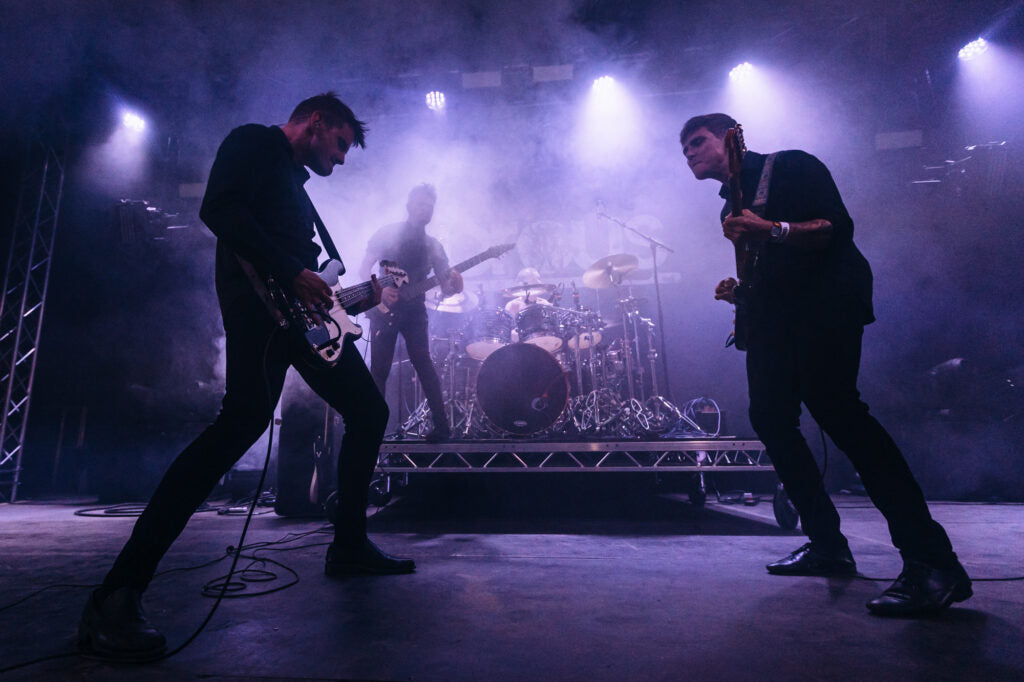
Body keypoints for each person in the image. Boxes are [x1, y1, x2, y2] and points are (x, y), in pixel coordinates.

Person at [78, 93, 415, 660]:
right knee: (238, 427)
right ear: (316, 122)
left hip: (301, 321)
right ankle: (117, 592)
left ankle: (349, 545)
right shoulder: (253, 142)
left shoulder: (294, 185)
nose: (341, 159)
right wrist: (292, 270)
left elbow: (308, 270)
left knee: (367, 411)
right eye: (339, 144)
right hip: (262, 312)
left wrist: (354, 294)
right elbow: (219, 209)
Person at [680, 113, 971, 617]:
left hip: (826, 305)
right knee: (769, 416)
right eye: (683, 150)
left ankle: (933, 562)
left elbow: (833, 229)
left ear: (730, 137)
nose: (689, 154)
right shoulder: (731, 205)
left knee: (839, 412)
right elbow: (770, 270)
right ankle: (826, 544)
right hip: (777, 320)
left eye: (697, 142)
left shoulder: (789, 166)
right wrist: (740, 292)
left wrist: (771, 229)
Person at [360, 184, 463, 442]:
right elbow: (363, 269)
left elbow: (447, 287)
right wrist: (379, 291)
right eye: (421, 204)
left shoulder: (433, 246)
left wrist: (456, 285)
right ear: (409, 206)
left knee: (424, 365)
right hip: (385, 309)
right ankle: (371, 429)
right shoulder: (388, 233)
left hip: (415, 311)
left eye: (430, 206)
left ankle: (442, 428)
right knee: (379, 370)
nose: (425, 209)